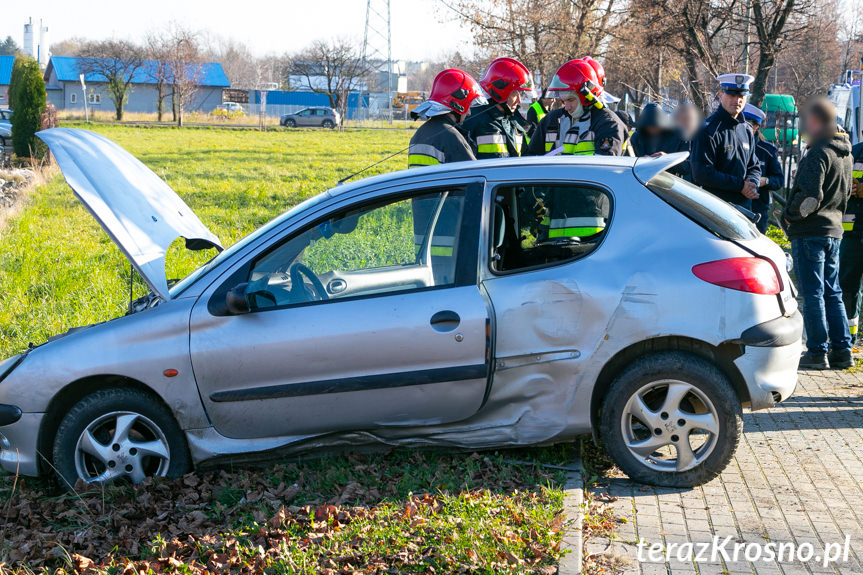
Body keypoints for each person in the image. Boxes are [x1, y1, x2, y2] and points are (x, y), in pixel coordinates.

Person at [782, 97, 854, 369]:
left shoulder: (819, 152)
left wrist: (790, 217)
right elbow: (846, 193)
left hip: (810, 232)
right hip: (834, 230)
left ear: (814, 120)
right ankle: (842, 350)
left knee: (812, 293)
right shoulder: (845, 153)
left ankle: (816, 351)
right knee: (832, 291)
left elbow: (811, 197)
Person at [525, 59, 627, 156]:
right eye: (563, 101)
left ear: (586, 96)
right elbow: (530, 160)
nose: (567, 107)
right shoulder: (551, 120)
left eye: (570, 100)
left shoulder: (608, 124)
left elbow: (604, 169)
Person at [690, 74, 761, 208]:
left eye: (741, 96)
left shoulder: (746, 130)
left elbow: (754, 166)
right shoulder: (708, 130)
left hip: (743, 207)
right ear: (720, 94)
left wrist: (752, 183)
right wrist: (740, 185)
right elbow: (702, 173)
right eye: (732, 95)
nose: (737, 100)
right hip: (716, 207)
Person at [407, 68, 484, 168]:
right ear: (457, 105)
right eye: (468, 106)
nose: (469, 113)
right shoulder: (452, 137)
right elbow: (474, 177)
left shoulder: (419, 133)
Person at [463, 57, 535, 159]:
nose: (519, 100)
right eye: (515, 94)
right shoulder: (473, 120)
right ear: (500, 92)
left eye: (521, 94)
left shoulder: (515, 121)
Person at [742, 103, 784, 233]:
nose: (746, 127)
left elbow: (779, 180)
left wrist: (765, 181)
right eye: (743, 123)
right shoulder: (729, 144)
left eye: (751, 124)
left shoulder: (767, 151)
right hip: (733, 204)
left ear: (757, 127)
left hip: (758, 208)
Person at [838, 140, 863, 344]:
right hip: (852, 235)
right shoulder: (854, 152)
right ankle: (848, 339)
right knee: (848, 287)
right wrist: (847, 187)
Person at [628, 102, 690, 178]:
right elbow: (629, 162)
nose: (652, 130)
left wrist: (666, 159)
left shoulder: (679, 136)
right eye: (649, 127)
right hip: (642, 179)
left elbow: (687, 166)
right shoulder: (637, 137)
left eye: (655, 127)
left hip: (671, 181)